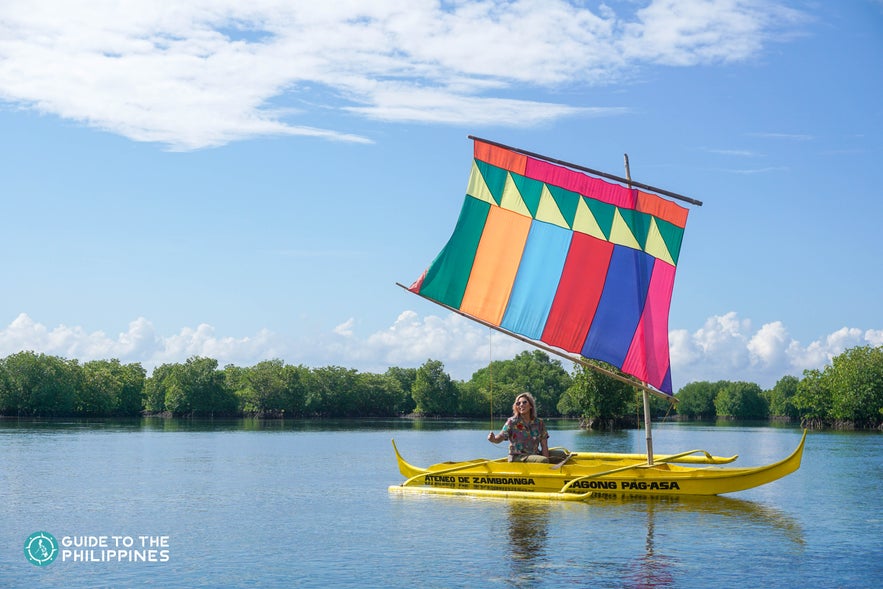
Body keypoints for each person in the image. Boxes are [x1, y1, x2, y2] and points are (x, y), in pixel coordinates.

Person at [487, 392, 555, 463]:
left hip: (534, 454)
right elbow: (501, 436)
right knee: (543, 460)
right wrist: (493, 439)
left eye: (524, 402)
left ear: (531, 405)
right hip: (517, 457)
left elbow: (544, 445)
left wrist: (548, 462)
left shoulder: (539, 423)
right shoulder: (512, 422)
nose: (521, 405)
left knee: (562, 455)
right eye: (518, 403)